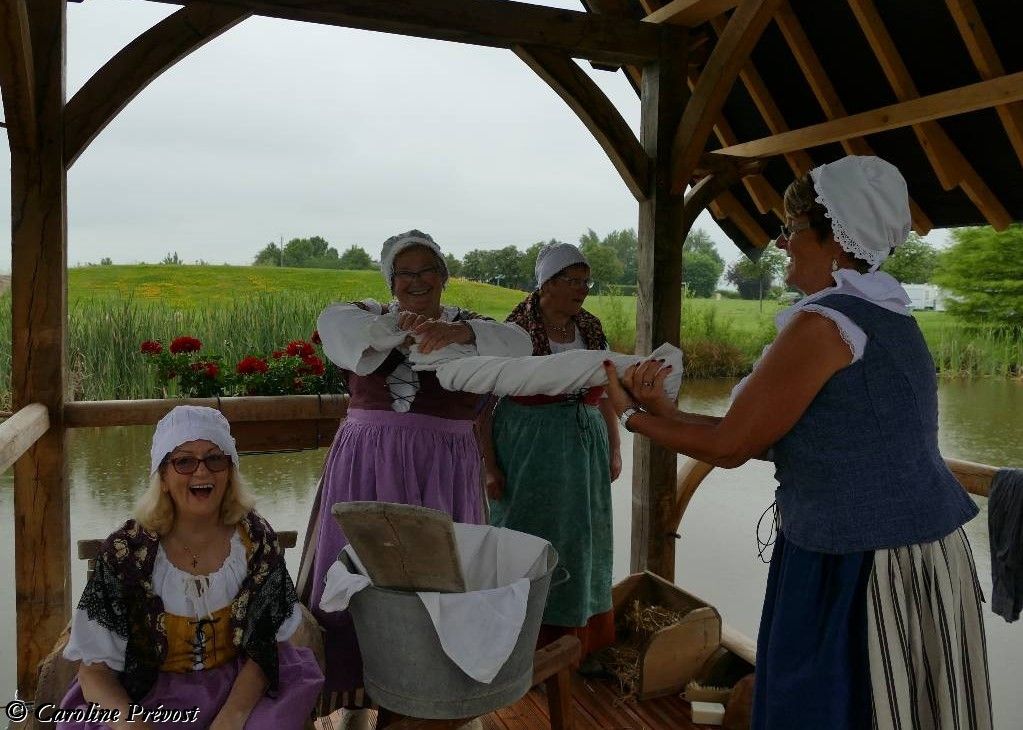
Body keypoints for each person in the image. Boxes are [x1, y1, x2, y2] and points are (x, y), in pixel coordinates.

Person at [602, 156, 991, 729]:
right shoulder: (884, 314)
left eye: (790, 231)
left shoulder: (826, 324)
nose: (782, 244)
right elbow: (762, 433)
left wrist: (631, 416)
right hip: (902, 546)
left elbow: (732, 446)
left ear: (834, 238)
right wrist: (667, 413)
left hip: (861, 561)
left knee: (829, 707)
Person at [304, 230, 532, 710]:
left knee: (438, 573)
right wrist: (400, 330)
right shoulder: (365, 318)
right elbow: (331, 323)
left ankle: (427, 686)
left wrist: (457, 334)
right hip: (368, 461)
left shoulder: (472, 327)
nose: (416, 280)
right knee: (355, 565)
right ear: (390, 281)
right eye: (404, 273)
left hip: (442, 470)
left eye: (426, 270)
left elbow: (520, 344)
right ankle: (353, 680)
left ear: (444, 276)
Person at [59, 405, 323, 730]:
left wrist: (231, 718)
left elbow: (264, 650)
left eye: (215, 458)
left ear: (229, 471)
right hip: (147, 693)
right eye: (184, 461)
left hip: (239, 685)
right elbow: (94, 672)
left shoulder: (255, 540)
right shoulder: (127, 553)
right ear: (164, 477)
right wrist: (135, 725)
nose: (202, 472)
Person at [482, 242, 621, 669]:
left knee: (585, 536)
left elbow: (607, 387)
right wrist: (489, 465)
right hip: (528, 443)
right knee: (527, 533)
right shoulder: (515, 332)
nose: (581, 290)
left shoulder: (591, 328)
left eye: (584, 281)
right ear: (547, 284)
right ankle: (521, 646)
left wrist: (615, 446)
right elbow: (482, 401)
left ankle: (581, 643)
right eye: (572, 281)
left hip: (584, 441)